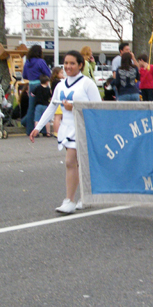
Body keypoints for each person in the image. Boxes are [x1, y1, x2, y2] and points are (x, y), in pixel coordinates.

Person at [30, 50, 102, 214]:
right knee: (80, 164)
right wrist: (38, 127)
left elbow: (98, 107)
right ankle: (86, 197)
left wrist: (75, 107)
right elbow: (52, 106)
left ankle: (69, 200)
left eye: (72, 63)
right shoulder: (60, 85)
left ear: (80, 65)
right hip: (67, 128)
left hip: (83, 127)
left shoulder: (87, 84)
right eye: (66, 63)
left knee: (71, 161)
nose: (68, 66)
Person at [22, 44, 51, 135]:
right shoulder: (40, 61)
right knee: (42, 106)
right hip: (40, 84)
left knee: (31, 108)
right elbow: (48, 73)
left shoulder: (27, 62)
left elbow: (24, 75)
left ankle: (30, 129)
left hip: (31, 85)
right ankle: (43, 130)